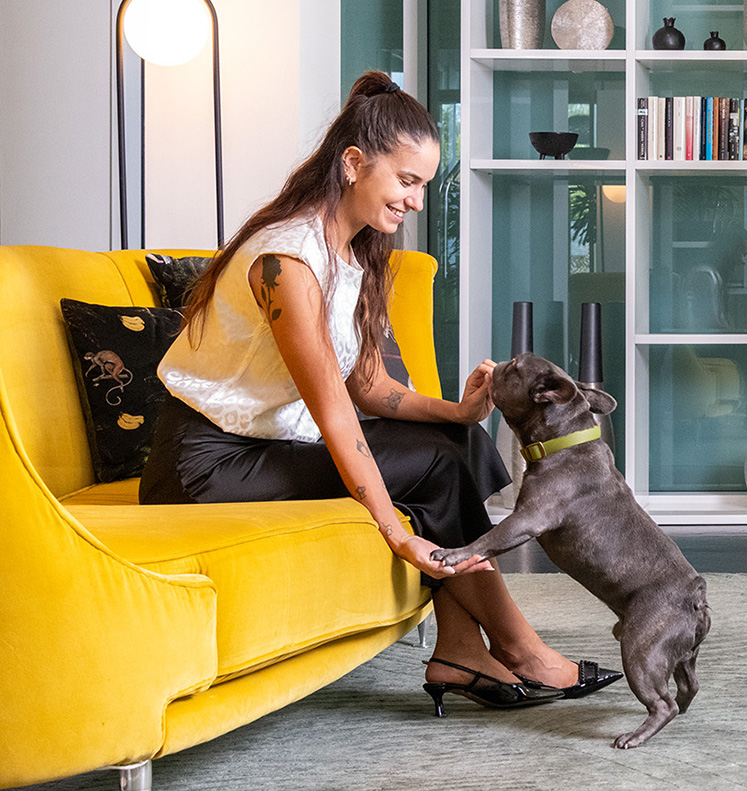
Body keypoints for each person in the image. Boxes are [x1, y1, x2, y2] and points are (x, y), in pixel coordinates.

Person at [141, 71, 621, 714]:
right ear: (353, 164)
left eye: (424, 184)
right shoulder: (286, 263)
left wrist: (460, 410)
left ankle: (459, 646)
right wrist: (397, 535)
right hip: (203, 463)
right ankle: (517, 648)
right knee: (436, 465)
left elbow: (367, 386)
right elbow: (336, 415)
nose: (418, 202)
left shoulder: (353, 252)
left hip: (265, 445)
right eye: (408, 181)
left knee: (455, 440)